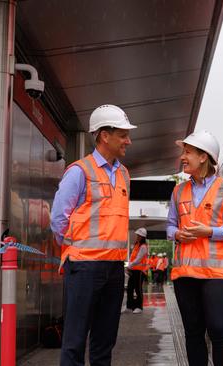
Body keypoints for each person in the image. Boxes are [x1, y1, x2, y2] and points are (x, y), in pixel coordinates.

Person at [50, 104, 136, 366]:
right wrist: (75, 250)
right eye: (123, 134)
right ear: (104, 135)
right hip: (85, 267)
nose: (128, 141)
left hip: (113, 268)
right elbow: (58, 220)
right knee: (74, 341)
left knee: (104, 343)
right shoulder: (79, 171)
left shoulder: (124, 174)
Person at [167, 130, 223, 366]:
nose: (183, 156)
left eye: (187, 152)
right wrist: (177, 234)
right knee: (193, 332)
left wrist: (209, 232)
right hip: (185, 274)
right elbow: (170, 226)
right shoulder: (178, 191)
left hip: (216, 274)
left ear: (203, 157)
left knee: (219, 330)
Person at [123, 228, 149, 314]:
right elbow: (132, 258)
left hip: (140, 271)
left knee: (138, 289)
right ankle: (129, 307)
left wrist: (129, 266)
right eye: (137, 235)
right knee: (130, 289)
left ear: (142, 237)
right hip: (133, 270)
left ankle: (139, 307)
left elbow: (138, 259)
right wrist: (129, 267)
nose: (137, 237)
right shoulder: (136, 245)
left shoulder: (143, 246)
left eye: (139, 236)